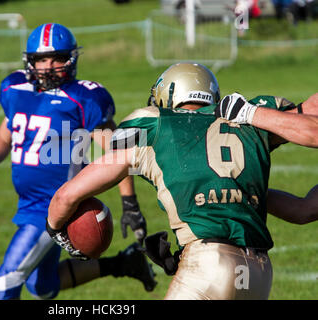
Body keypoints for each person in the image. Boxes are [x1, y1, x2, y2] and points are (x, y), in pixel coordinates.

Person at [46, 62, 318, 299]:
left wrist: (56, 231)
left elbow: (65, 197)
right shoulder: (248, 117)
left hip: (209, 264)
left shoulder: (152, 124)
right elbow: (305, 206)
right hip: (259, 274)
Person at [0, 23, 156, 300]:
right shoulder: (14, 88)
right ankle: (125, 263)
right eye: (42, 59)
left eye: (57, 58)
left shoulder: (83, 97)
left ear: (71, 58)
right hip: (28, 203)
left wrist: (130, 203)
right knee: (41, 287)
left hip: (53, 206)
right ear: (30, 61)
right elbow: (6, 132)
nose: (49, 66)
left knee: (4, 284)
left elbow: (120, 154)